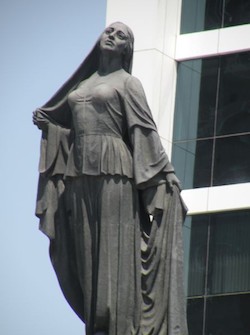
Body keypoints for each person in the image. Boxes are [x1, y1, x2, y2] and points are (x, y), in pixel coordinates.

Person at [33, 22, 188, 335]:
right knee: (84, 249)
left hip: (115, 170)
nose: (112, 36)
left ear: (126, 49)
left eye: (121, 35)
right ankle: (97, 320)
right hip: (77, 175)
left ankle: (117, 320)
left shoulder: (129, 83)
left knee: (113, 246)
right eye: (109, 32)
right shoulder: (83, 83)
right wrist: (49, 125)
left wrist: (164, 177)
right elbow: (65, 123)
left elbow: (143, 131)